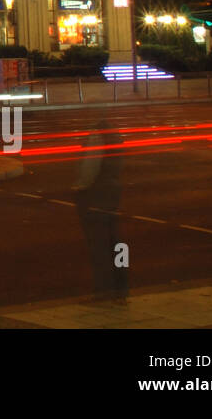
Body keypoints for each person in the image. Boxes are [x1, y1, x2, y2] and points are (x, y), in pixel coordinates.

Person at [73, 119, 128, 303]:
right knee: (115, 243)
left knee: (99, 247)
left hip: (97, 194)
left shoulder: (97, 136)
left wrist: (80, 186)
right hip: (112, 192)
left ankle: (103, 290)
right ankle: (121, 288)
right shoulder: (115, 134)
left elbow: (90, 167)